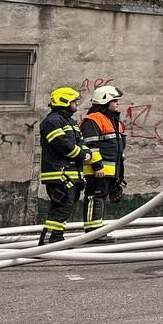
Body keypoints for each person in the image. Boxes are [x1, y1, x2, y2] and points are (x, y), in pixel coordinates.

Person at [38, 87, 100, 245]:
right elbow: (62, 144)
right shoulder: (52, 121)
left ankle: (55, 239)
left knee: (66, 207)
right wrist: (81, 155)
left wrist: (88, 154)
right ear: (64, 101)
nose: (76, 104)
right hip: (59, 174)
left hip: (72, 174)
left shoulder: (70, 122)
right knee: (61, 208)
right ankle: (50, 241)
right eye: (73, 101)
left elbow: (81, 142)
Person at [79, 85, 126, 233]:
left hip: (109, 170)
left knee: (100, 198)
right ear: (105, 101)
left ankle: (97, 230)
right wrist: (97, 166)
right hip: (97, 170)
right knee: (95, 197)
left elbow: (118, 148)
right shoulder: (92, 120)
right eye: (115, 100)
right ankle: (92, 232)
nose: (117, 103)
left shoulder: (113, 120)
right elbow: (90, 146)